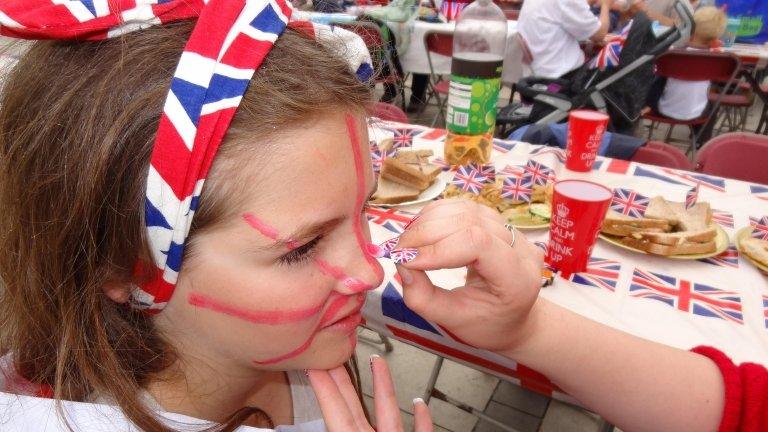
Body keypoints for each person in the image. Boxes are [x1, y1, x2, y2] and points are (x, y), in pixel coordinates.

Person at [0, 1, 429, 431]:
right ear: (124, 265)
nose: (371, 273)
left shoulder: (294, 349)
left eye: (364, 209)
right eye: (303, 248)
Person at [646, 5, 726, 140]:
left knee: (658, 79)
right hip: (697, 114)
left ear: (689, 27)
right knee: (713, 103)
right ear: (715, 38)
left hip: (662, 109)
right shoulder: (717, 59)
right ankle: (701, 140)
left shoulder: (672, 54)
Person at [517, 0, 613, 79]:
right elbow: (599, 34)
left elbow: (567, 13)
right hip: (558, 75)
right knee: (612, 69)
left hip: (532, 71)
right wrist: (606, 5)